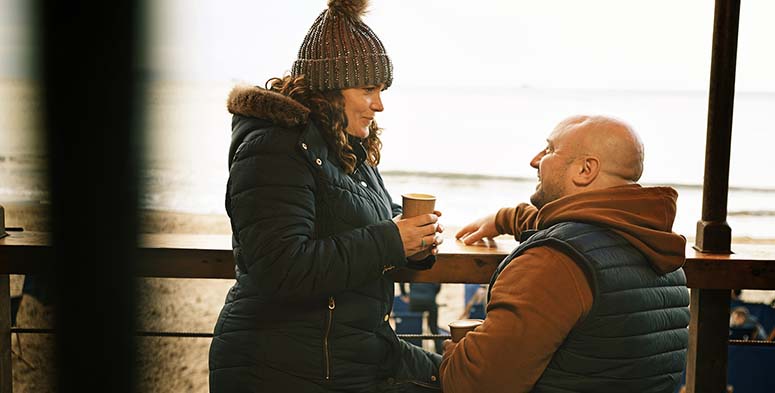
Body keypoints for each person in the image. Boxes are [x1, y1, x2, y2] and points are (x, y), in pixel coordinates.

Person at [208, 1, 444, 391]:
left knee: (464, 375)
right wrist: (391, 240)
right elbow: (281, 267)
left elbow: (353, 215)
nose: (380, 104)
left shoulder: (344, 145)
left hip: (346, 354)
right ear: (331, 87)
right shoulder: (275, 147)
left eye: (381, 90)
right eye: (368, 89)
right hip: (279, 368)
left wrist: (415, 238)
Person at [443, 115, 691, 392]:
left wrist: (455, 351)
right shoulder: (657, 246)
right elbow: (588, 227)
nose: (535, 160)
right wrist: (506, 218)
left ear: (585, 170)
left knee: (408, 363)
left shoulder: (553, 262)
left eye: (549, 149)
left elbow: (474, 385)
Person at [399, 283, 444, 354]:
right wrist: (432, 293)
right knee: (434, 329)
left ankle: (412, 352)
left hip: (414, 300)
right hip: (430, 299)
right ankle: (439, 353)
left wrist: (404, 294)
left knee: (413, 328)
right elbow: (438, 284)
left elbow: (401, 281)